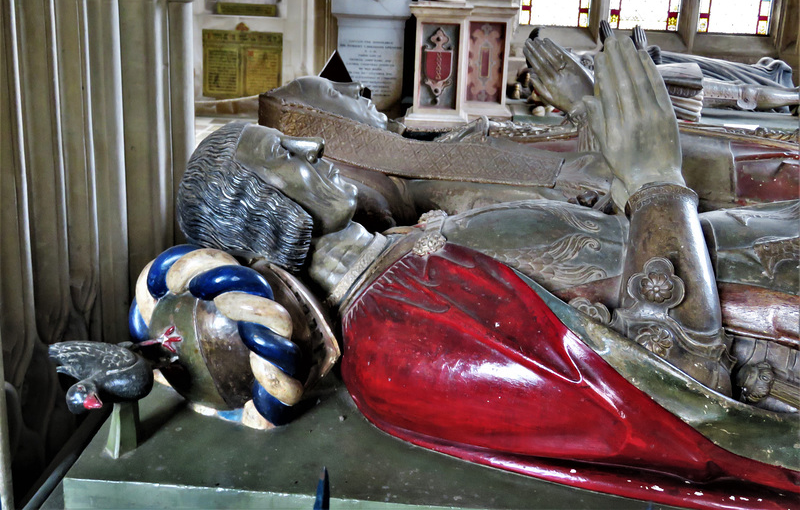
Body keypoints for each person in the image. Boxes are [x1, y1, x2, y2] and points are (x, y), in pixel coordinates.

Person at [150, 38, 798, 508]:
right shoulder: (390, 340)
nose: (315, 149)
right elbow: (676, 389)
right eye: (285, 155)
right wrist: (654, 180)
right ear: (262, 206)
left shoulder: (398, 262)